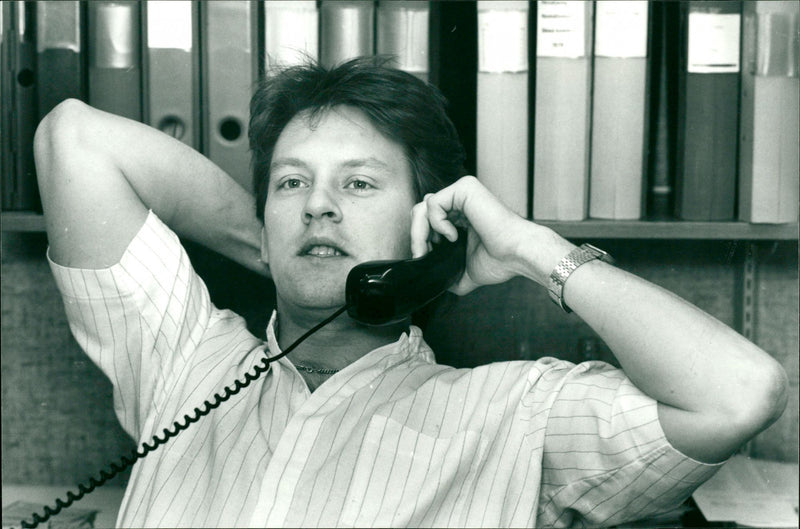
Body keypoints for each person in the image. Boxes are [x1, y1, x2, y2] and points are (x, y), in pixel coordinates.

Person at [34, 58, 787, 528]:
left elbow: (740, 391)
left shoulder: (512, 415)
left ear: (430, 223)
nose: (318, 205)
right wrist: (276, 247)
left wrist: (533, 248)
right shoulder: (181, 361)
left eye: (358, 183)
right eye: (292, 182)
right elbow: (74, 139)